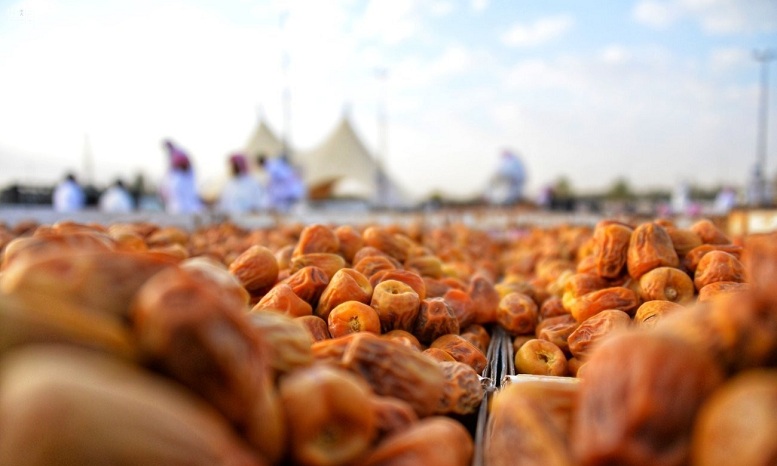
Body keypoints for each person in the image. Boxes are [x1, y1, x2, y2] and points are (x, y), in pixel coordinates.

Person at [159, 140, 203, 214]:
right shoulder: (171, 155)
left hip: (184, 180)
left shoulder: (179, 153)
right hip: (179, 181)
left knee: (185, 202)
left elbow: (183, 165)